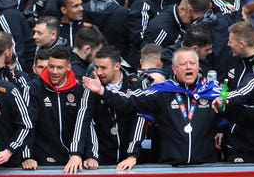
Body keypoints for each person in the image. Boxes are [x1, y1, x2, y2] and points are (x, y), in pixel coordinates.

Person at [82, 47, 222, 169]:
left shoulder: (212, 92)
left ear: (198, 66)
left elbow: (232, 112)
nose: (189, 67)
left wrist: (222, 130)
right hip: (172, 167)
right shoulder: (161, 91)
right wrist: (102, 91)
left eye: (192, 63)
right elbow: (129, 100)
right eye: (183, 64)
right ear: (174, 68)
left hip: (206, 166)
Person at [23, 46, 95, 173]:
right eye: (51, 66)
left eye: (60, 68)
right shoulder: (33, 88)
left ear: (68, 67)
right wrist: (27, 155)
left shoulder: (80, 90)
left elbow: (85, 124)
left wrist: (89, 155)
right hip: (43, 157)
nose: (54, 71)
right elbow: (27, 123)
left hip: (74, 156)